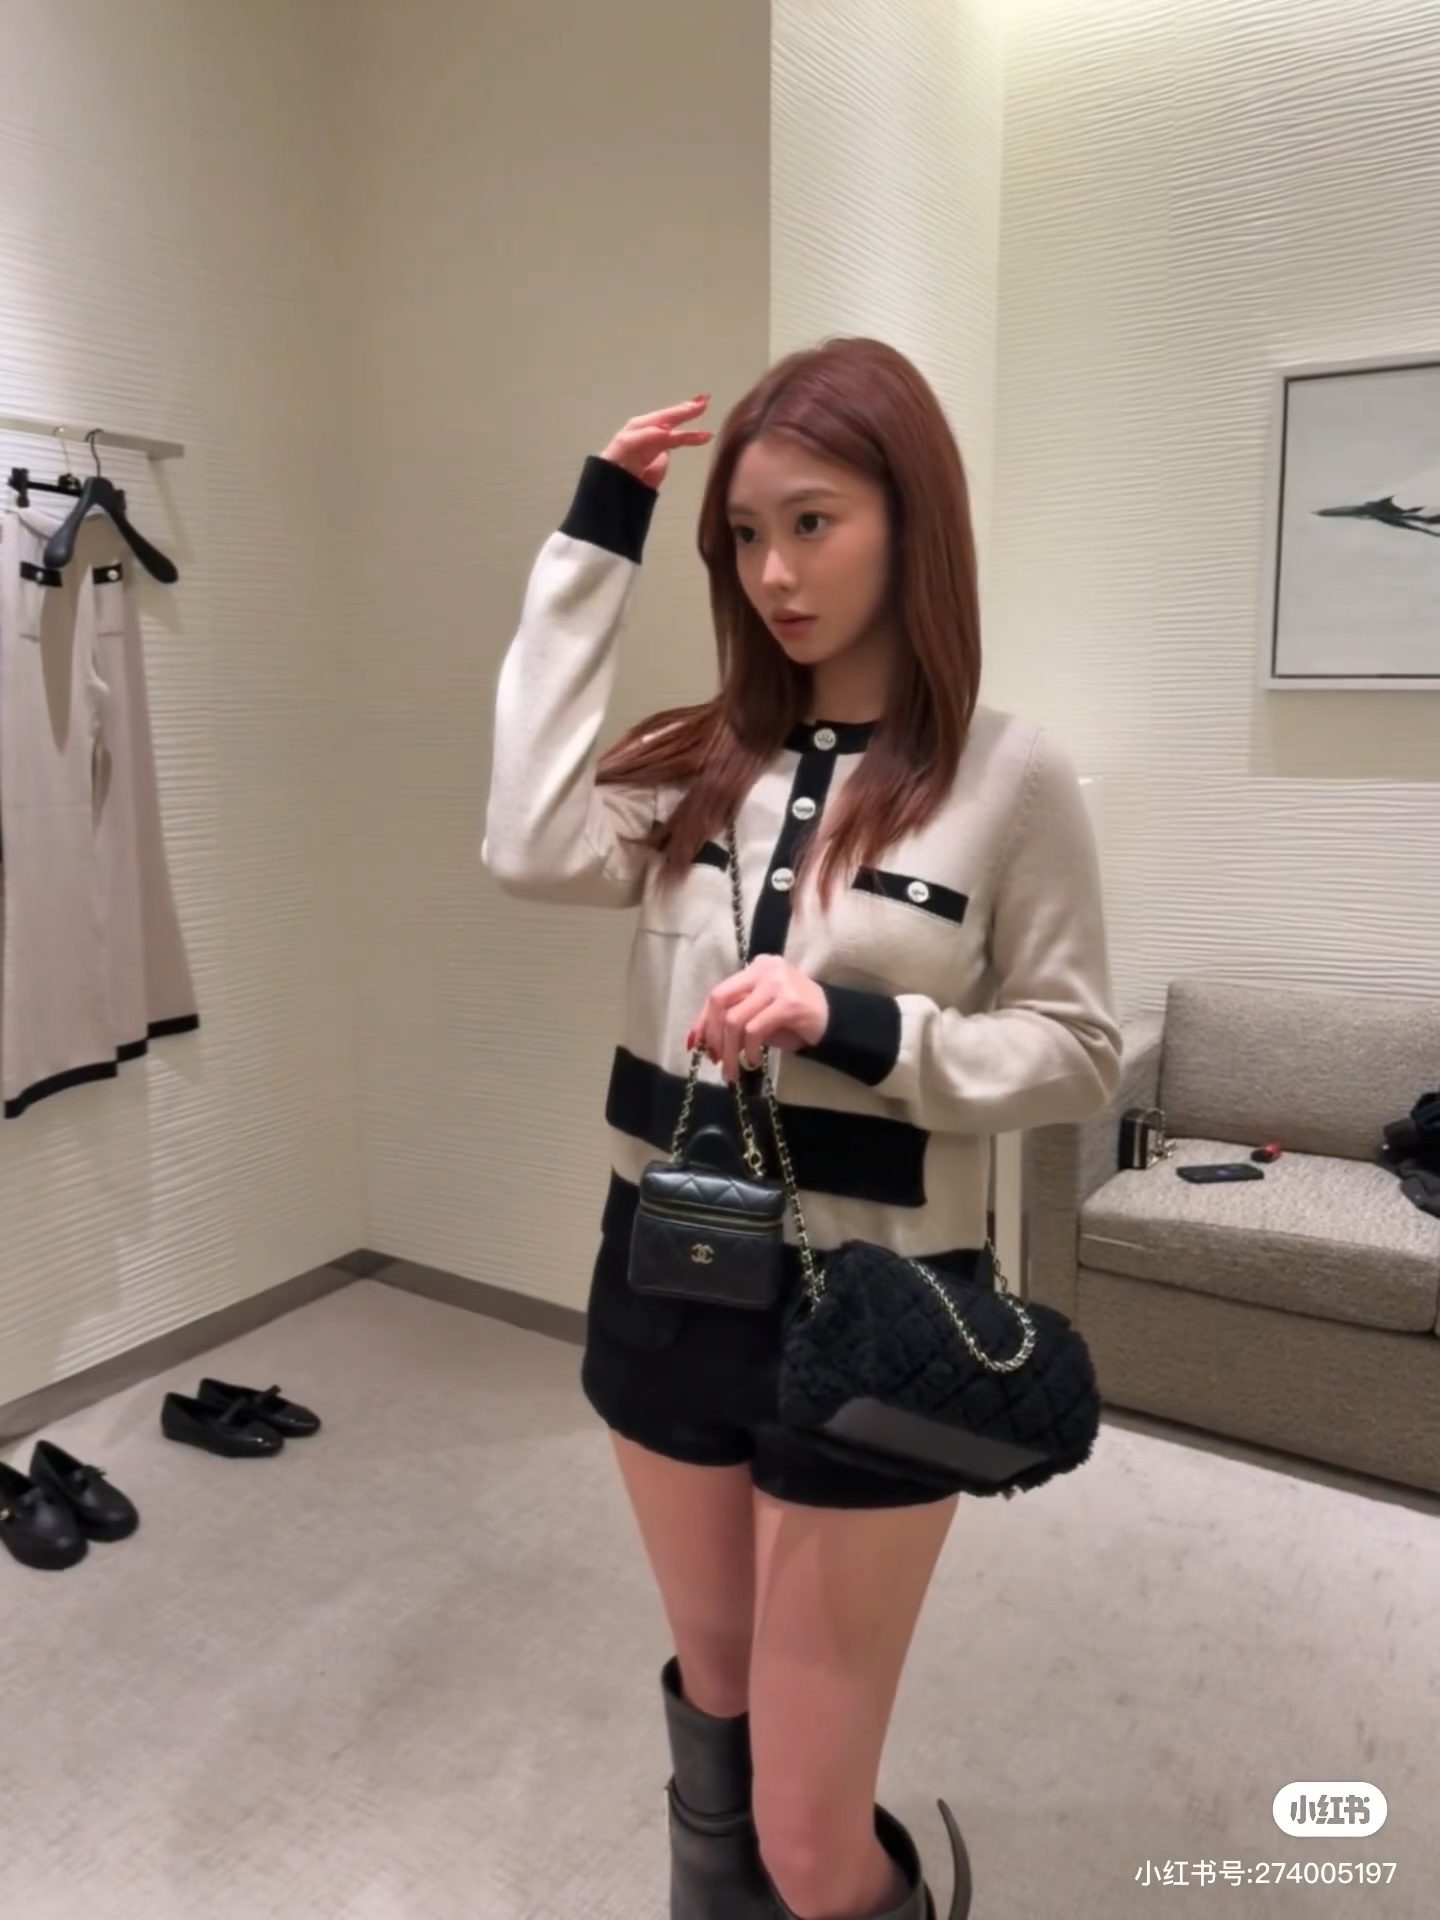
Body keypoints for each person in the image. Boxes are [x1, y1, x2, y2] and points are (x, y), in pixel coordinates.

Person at [481, 337, 1122, 1920]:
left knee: (808, 1837)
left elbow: (1079, 1053)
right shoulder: (697, 764)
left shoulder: (1010, 779)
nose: (773, 572)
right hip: (666, 1277)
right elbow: (526, 842)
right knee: (717, 1737)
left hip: (880, 1306)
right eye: (746, 535)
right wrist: (596, 538)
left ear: (911, 522)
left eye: (813, 523)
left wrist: (858, 1022)